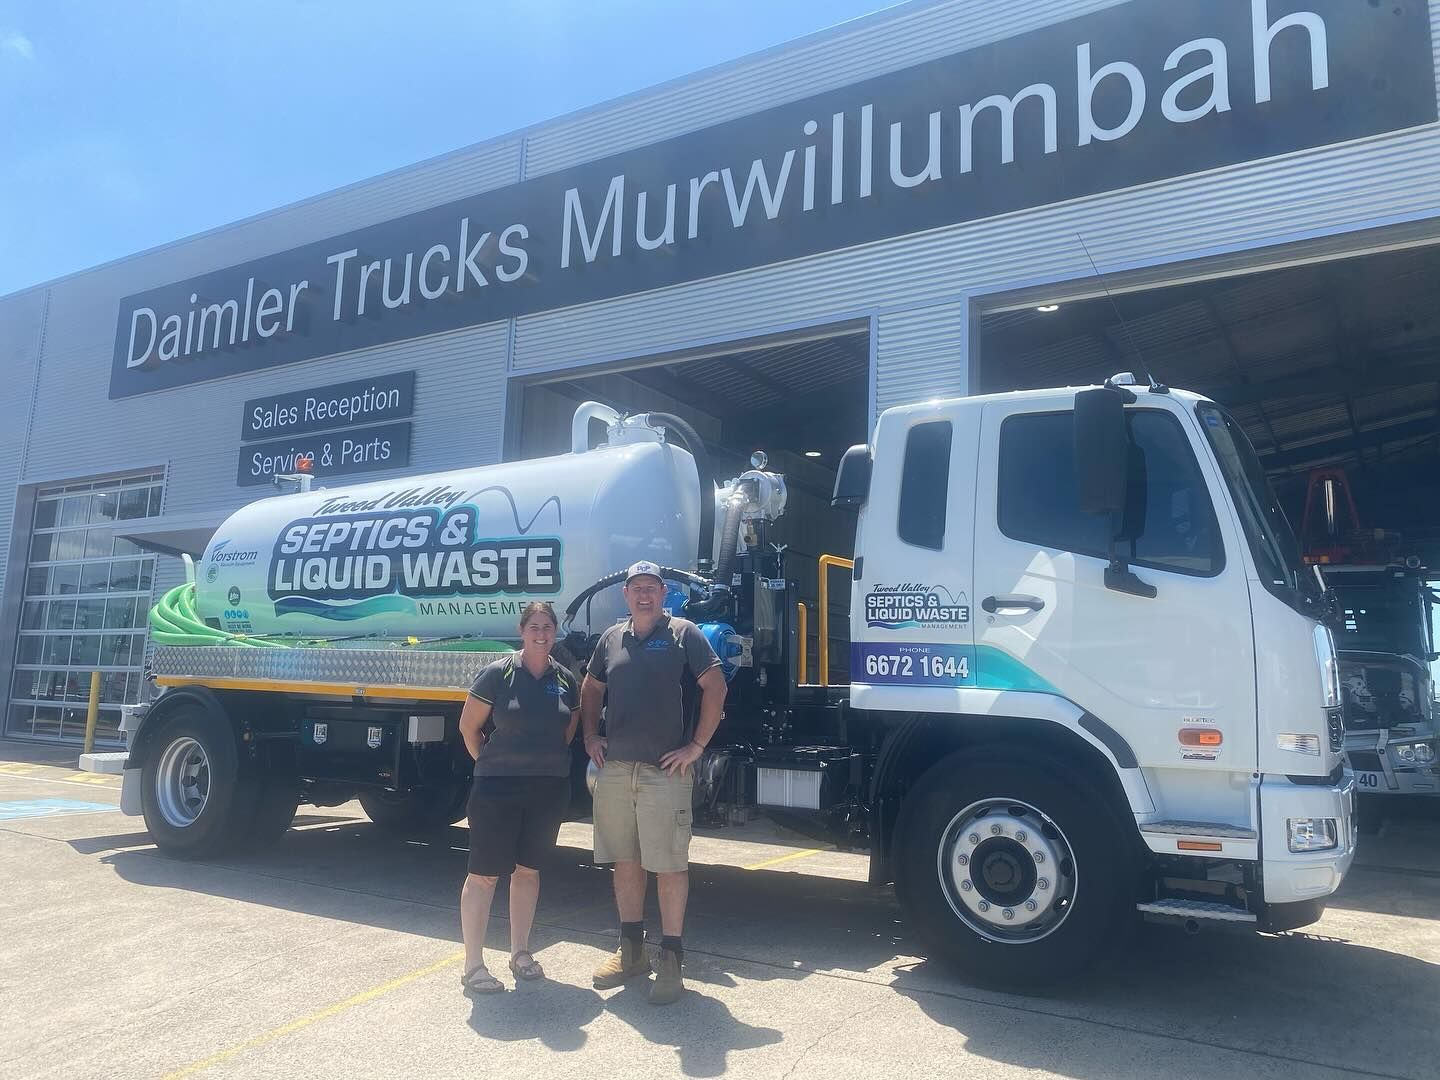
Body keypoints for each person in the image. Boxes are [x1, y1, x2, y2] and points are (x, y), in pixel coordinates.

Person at [581, 560, 727, 1005]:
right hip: (618, 769)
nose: (644, 595)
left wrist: (696, 747)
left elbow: (716, 688)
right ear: (625, 595)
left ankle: (671, 958)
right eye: (636, 588)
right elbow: (591, 688)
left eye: (652, 588)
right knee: (625, 860)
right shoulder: (611, 638)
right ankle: (631, 953)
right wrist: (590, 734)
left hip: (667, 772)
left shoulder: (684, 633)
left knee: (668, 865)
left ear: (663, 594)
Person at [458, 601, 580, 995]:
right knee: (484, 875)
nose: (541, 634)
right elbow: (468, 728)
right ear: (522, 631)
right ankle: (473, 965)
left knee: (528, 871)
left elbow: (568, 730)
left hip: (546, 789)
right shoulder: (498, 673)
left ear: (555, 631)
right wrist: (494, 766)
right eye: (534, 627)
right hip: (497, 788)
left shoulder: (565, 679)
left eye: (548, 627)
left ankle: (520, 953)